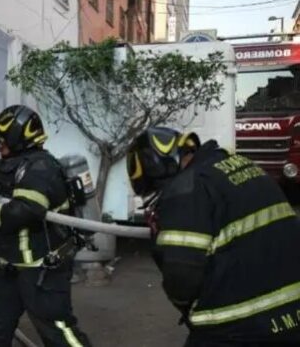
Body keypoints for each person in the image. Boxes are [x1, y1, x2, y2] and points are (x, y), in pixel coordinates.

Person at [126, 127, 300, 347]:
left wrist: (185, 305)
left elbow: (181, 274)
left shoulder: (186, 188)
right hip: (291, 318)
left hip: (237, 326)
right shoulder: (243, 166)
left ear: (154, 167)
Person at [0, 105, 91, 347]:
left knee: (58, 333)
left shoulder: (41, 168)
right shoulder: (13, 163)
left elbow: (24, 212)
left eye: (3, 139)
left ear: (19, 139)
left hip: (42, 270)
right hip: (10, 269)